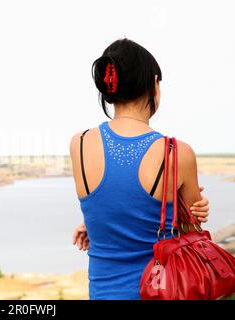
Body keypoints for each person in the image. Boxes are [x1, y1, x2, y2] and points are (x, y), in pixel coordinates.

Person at [69, 38, 210, 300]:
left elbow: (110, 203)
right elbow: (193, 239)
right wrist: (189, 210)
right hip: (159, 292)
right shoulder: (177, 152)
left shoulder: (79, 143)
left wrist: (94, 225)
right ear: (153, 84)